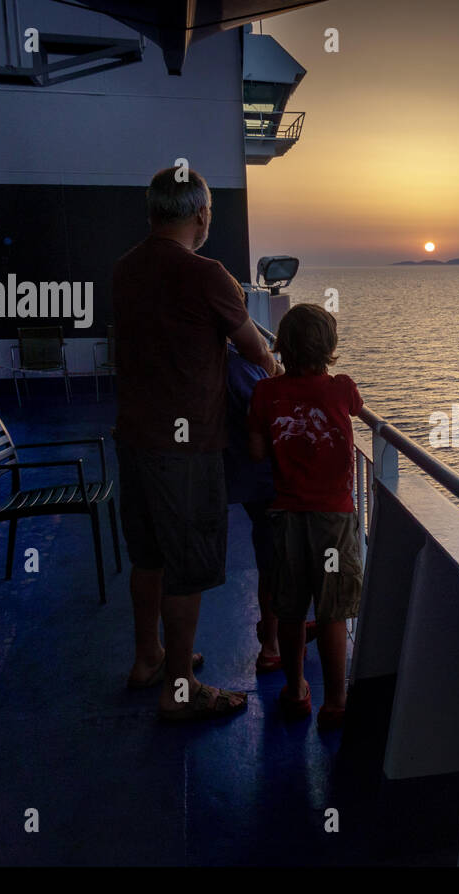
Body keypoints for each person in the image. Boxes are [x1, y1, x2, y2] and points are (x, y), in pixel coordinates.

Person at [114, 165, 281, 721]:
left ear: (153, 212)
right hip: (185, 448)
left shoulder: (125, 270)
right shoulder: (206, 274)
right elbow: (254, 348)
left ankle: (148, 659)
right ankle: (179, 688)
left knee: (149, 557)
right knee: (187, 566)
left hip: (134, 439)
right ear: (201, 214)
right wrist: (279, 375)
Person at [246, 304, 363, 730]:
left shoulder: (264, 393)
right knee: (332, 612)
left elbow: (257, 452)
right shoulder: (343, 388)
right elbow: (354, 407)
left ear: (281, 346)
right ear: (329, 349)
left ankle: (295, 691)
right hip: (333, 519)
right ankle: (336, 703)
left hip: (286, 518)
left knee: (290, 609)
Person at [223, 338, 283, 672]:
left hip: (247, 481)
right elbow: (269, 412)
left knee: (271, 556)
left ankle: (275, 630)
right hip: (263, 482)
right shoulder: (237, 368)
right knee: (275, 562)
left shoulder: (225, 363)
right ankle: (273, 644)